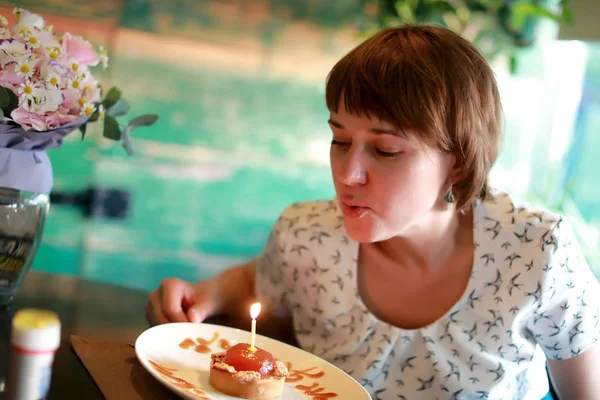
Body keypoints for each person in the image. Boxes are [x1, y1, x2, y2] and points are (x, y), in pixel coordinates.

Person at [146, 25, 600, 399]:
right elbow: (262, 280)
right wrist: (205, 294)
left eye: (385, 150)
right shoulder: (306, 235)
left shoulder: (538, 253)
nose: (348, 173)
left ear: (458, 161)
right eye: (339, 140)